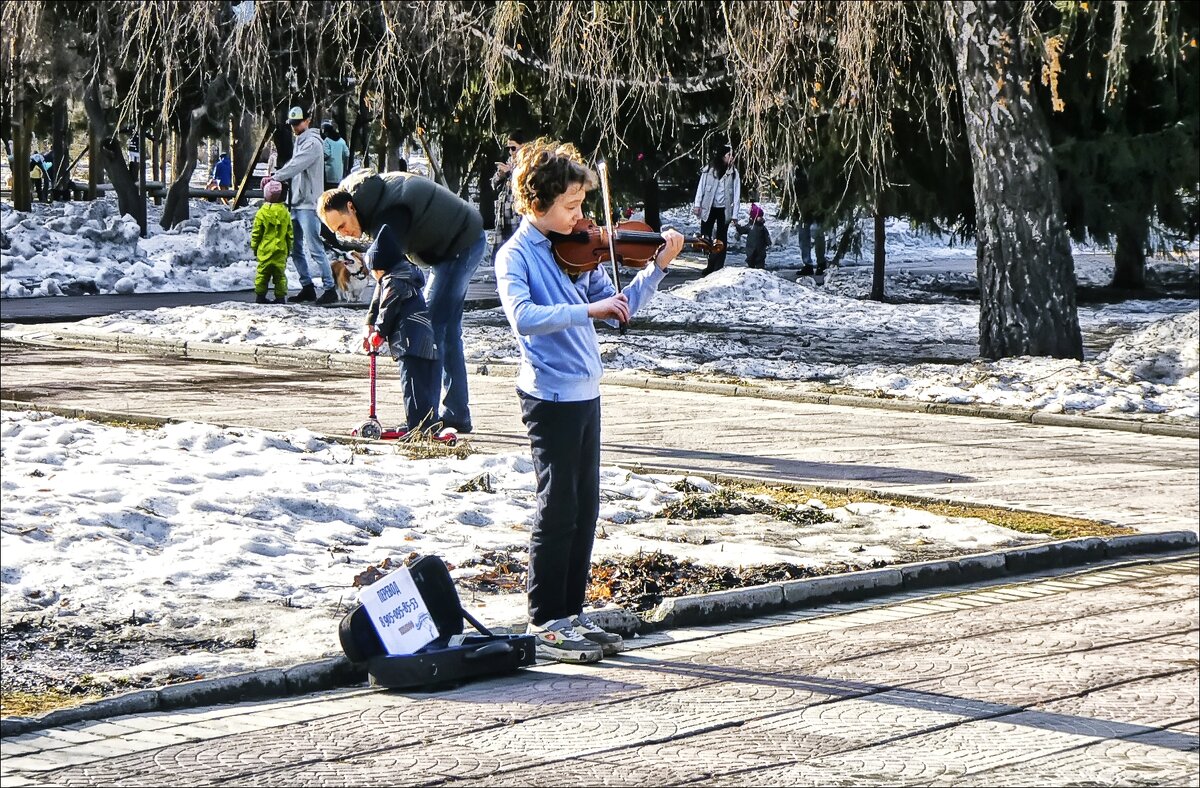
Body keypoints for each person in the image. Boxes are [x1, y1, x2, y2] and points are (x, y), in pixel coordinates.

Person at [494, 138, 684, 663]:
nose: (582, 219)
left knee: (585, 506)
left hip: (586, 390)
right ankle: (544, 620)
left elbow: (620, 306)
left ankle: (570, 613)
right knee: (557, 507)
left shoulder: (578, 251)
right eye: (572, 207)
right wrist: (589, 311)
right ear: (538, 205)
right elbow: (523, 319)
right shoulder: (516, 255)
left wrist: (658, 267)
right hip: (549, 395)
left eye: (582, 207)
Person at [317, 167, 487, 434]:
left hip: (460, 244)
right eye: (337, 232)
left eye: (342, 225)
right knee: (446, 332)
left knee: (427, 330)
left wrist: (376, 323)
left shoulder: (387, 214)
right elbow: (385, 274)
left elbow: (384, 268)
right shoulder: (375, 208)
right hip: (460, 242)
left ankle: (424, 421)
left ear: (351, 206)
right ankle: (456, 414)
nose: (345, 234)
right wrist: (371, 321)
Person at [362, 224, 439, 434]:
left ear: (380, 267)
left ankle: (417, 426)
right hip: (425, 339)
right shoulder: (409, 277)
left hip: (408, 341)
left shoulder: (393, 280)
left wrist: (379, 332)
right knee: (425, 385)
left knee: (412, 385)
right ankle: (429, 421)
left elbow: (388, 308)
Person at [270, 106, 338, 304]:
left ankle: (330, 288)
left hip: (309, 204)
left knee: (315, 248)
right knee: (295, 249)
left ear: (307, 120)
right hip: (297, 203)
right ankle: (307, 286)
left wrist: (276, 177)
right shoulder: (300, 141)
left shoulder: (312, 144)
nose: (294, 127)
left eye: (298, 122)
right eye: (292, 123)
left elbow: (296, 165)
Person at [692, 143, 741, 276]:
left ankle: (719, 266)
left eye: (733, 155)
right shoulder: (709, 170)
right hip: (709, 208)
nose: (732, 158)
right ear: (722, 156)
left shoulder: (734, 173)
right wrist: (697, 205)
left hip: (723, 210)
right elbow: (701, 187)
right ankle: (710, 264)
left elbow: (736, 194)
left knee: (721, 238)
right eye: (729, 155)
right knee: (706, 238)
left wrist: (735, 214)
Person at [250, 178, 292, 304]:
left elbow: (256, 233)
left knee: (262, 274)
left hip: (265, 249)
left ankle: (260, 296)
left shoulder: (261, 213)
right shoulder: (285, 212)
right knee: (280, 275)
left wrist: (255, 247)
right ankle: (280, 297)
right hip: (280, 249)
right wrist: (289, 249)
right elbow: (289, 234)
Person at [490, 130, 527, 262]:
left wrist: (511, 172)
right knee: (501, 251)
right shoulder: (509, 162)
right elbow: (494, 186)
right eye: (508, 148)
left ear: (523, 146)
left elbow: (525, 185)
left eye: (513, 148)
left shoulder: (528, 164)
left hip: (517, 216)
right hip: (502, 215)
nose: (511, 152)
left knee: (517, 251)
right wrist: (501, 174)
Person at [792, 164, 826, 276]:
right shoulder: (798, 169)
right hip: (802, 209)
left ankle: (821, 263)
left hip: (816, 208)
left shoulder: (817, 167)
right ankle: (807, 265)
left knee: (817, 233)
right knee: (803, 237)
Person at [735, 203, 770, 269]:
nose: (761, 218)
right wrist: (737, 225)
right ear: (754, 217)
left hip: (761, 250)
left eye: (762, 216)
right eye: (760, 216)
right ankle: (751, 269)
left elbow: (766, 236)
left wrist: (768, 243)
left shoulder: (762, 227)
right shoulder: (749, 226)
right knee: (750, 261)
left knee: (760, 262)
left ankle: (761, 270)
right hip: (750, 249)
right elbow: (742, 230)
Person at [321, 121, 351, 191]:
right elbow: (347, 154)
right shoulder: (341, 141)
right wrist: (345, 169)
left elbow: (326, 155)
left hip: (329, 174)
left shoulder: (327, 141)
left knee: (328, 192)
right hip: (339, 174)